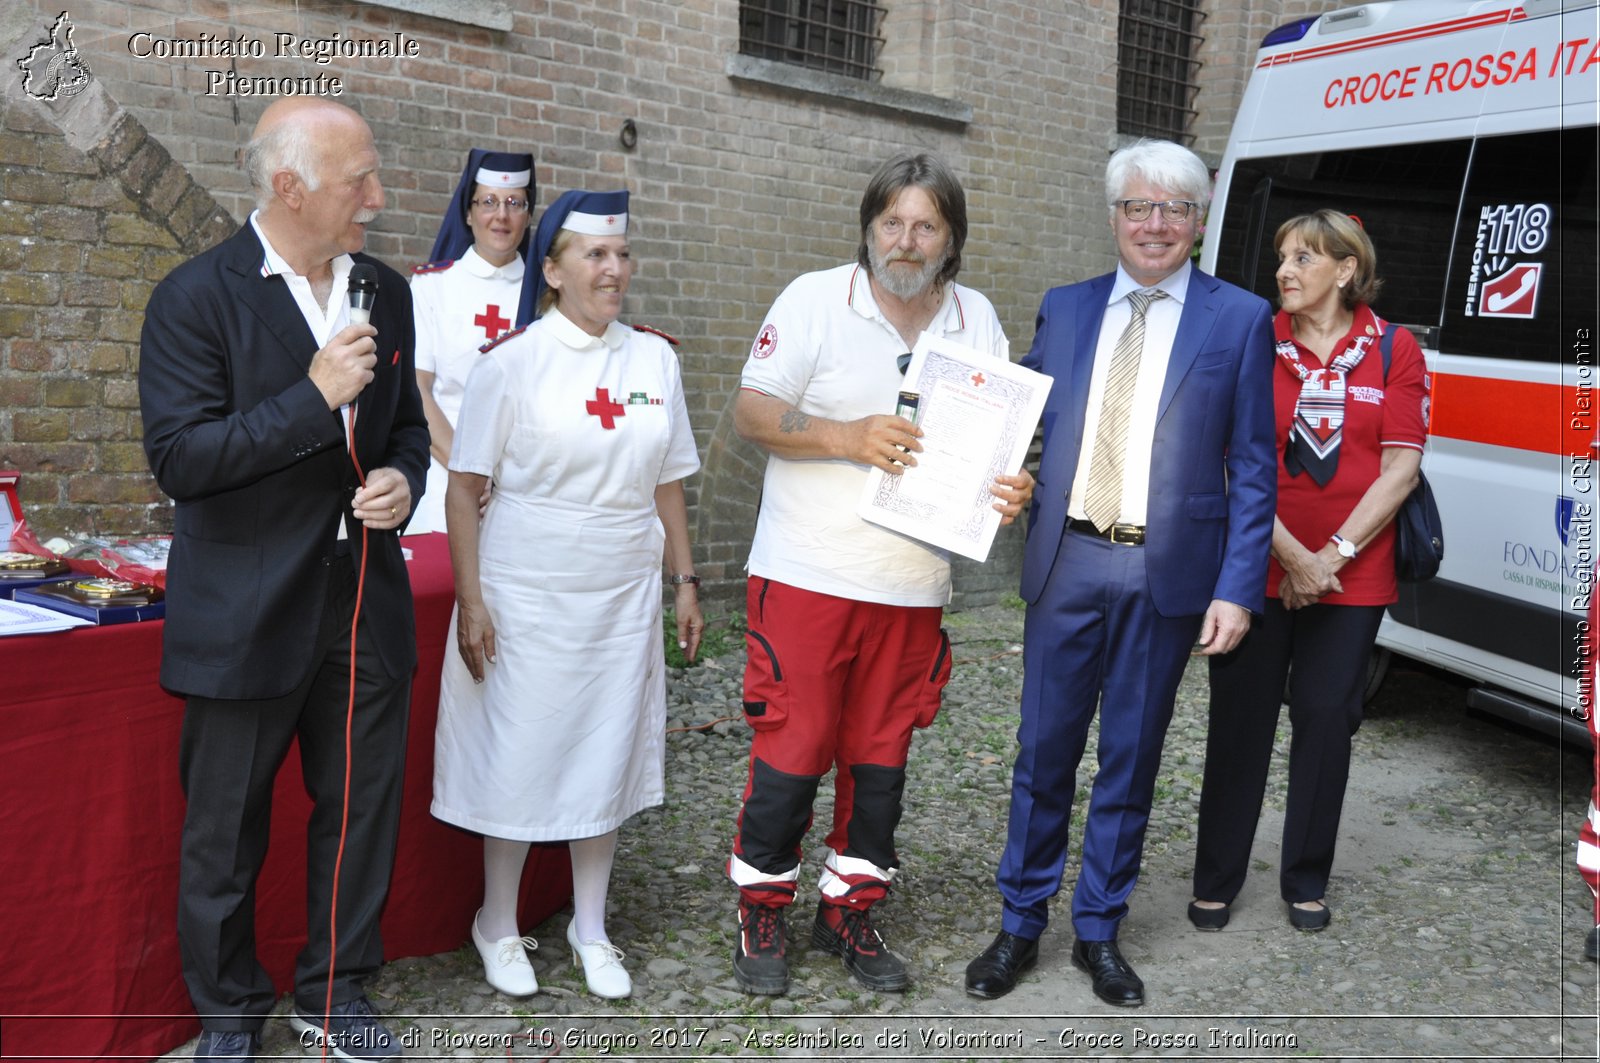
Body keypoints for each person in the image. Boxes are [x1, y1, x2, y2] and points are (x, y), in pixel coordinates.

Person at [138, 98, 428, 1061]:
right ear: (290, 186)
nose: (378, 200)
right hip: (244, 612)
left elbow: (408, 434)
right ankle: (228, 1013)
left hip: (360, 606)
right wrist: (313, 400)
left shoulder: (387, 290)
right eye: (361, 182)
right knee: (225, 835)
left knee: (359, 814)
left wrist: (401, 479)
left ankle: (337, 994)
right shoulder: (195, 296)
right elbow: (182, 459)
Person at [963, 139, 1277, 1008]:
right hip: (1065, 558)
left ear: (1200, 223)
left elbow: (1256, 467)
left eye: (1175, 209)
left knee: (1131, 758)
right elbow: (1015, 423)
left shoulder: (1241, 318)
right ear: (1113, 217)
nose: (1155, 224)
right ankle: (1021, 921)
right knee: (1043, 751)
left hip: (1167, 573)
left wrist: (1237, 587)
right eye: (1139, 207)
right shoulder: (1064, 309)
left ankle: (1098, 928)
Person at [725, 151, 1034, 997]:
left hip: (911, 586)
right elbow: (751, 411)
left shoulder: (976, 318)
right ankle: (761, 906)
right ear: (868, 229)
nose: (906, 240)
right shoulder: (815, 297)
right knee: (791, 753)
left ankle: (849, 908)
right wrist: (845, 436)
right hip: (807, 575)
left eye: (925, 224)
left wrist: (1009, 486)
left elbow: (996, 449)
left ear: (951, 237)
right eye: (891, 222)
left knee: (880, 763)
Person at [430, 189, 702, 1002]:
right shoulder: (511, 364)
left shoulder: (655, 360)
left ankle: (590, 924)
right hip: (527, 587)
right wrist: (471, 600)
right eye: (594, 254)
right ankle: (498, 920)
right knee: (519, 752)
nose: (613, 268)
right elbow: (463, 486)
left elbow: (670, 480)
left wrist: (684, 582)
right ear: (552, 270)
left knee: (604, 752)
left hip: (619, 590)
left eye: (621, 254)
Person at [1183, 211, 1429, 934]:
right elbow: (1227, 455)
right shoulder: (1256, 338)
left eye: (1304, 258)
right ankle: (1217, 877)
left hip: (1353, 574)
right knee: (1240, 723)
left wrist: (1329, 561)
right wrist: (1290, 554)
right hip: (1256, 566)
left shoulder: (1395, 348)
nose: (1284, 271)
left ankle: (1305, 877)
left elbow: (1401, 469)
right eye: (1282, 256)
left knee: (1326, 719)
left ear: (1347, 269)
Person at [408, 149, 539, 535]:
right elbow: (417, 390)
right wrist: (472, 473)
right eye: (489, 202)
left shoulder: (548, 296)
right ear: (468, 213)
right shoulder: (432, 287)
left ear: (528, 216)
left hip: (527, 483)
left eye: (515, 203)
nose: (502, 215)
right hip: (445, 475)